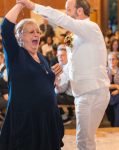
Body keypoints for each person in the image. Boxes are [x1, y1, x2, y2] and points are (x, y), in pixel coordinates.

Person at [17, 0, 110, 149]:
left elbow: (62, 20)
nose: (65, 14)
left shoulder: (91, 27)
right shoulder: (70, 37)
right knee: (86, 138)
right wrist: (58, 77)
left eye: (68, 10)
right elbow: (70, 65)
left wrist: (33, 6)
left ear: (79, 11)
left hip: (93, 91)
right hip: (80, 93)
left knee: (83, 138)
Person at [0, 3, 64, 150]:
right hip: (27, 119)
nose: (36, 34)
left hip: (46, 118)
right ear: (19, 37)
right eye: (31, 32)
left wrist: (54, 78)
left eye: (38, 32)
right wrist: (21, 4)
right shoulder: (16, 55)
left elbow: (43, 85)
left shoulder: (42, 58)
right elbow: (5, 28)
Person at [55, 44, 74, 125]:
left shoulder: (67, 67)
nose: (60, 57)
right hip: (71, 94)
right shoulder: (63, 65)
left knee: (50, 95)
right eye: (58, 56)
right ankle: (68, 114)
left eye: (62, 55)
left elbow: (61, 89)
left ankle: (64, 117)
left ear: (67, 56)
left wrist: (54, 84)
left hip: (72, 97)